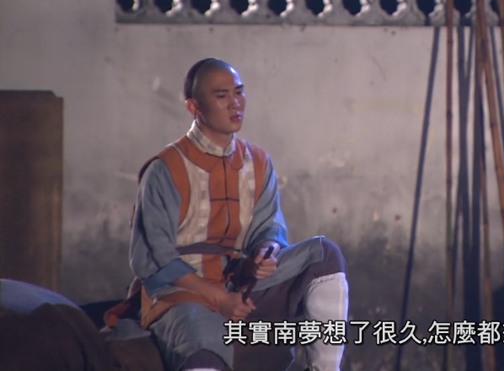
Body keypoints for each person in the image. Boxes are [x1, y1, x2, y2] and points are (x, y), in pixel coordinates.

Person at [117, 57, 349, 371]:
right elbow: (155, 260)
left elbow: (268, 228)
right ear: (194, 106)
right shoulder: (165, 169)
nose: (235, 103)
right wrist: (218, 299)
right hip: (182, 290)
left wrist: (266, 252)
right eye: (221, 95)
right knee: (202, 346)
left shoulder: (258, 161)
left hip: (239, 280)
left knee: (323, 256)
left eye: (239, 92)